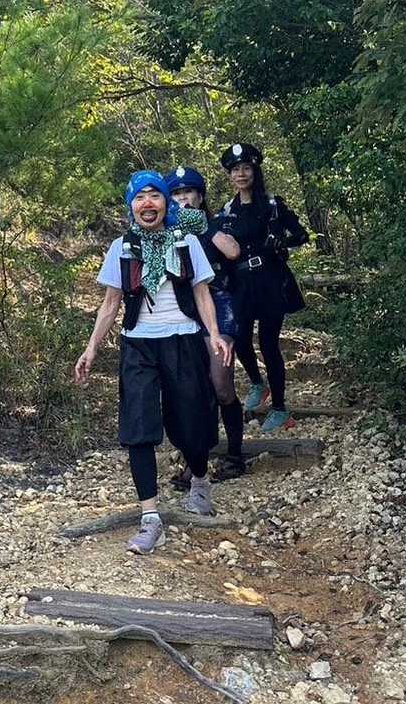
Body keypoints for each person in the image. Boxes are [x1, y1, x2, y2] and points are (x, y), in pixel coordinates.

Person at [74, 171, 232, 552]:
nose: (148, 203)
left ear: (165, 203)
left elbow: (202, 294)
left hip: (183, 340)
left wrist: (213, 333)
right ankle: (150, 518)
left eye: (155, 196)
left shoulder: (187, 242)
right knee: (139, 427)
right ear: (131, 205)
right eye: (140, 197)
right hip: (138, 345)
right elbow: (110, 303)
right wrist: (91, 348)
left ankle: (199, 480)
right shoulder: (122, 247)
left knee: (191, 425)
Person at [218, 143, 309, 432]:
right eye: (235, 170)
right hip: (241, 284)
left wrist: (281, 242)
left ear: (255, 170)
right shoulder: (227, 211)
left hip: (270, 280)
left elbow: (301, 235)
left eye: (246, 168)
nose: (241, 174)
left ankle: (279, 408)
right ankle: (258, 383)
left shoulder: (272, 205)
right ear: (230, 175)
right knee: (241, 338)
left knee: (269, 343)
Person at [165, 166, 248, 473]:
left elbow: (233, 251)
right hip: (182, 307)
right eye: (176, 193)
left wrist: (203, 226)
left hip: (219, 303)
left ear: (200, 196)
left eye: (188, 192)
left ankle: (235, 454)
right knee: (194, 388)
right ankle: (196, 461)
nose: (182, 198)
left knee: (221, 383)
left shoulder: (214, 225)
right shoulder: (165, 232)